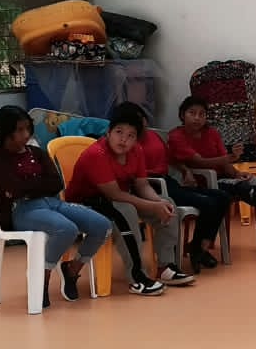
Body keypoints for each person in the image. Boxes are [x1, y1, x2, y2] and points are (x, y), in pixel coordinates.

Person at [0, 104, 111, 307]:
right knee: (66, 229)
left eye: (27, 128)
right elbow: (15, 190)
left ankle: (72, 270)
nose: (26, 135)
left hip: (52, 202)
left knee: (102, 225)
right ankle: (41, 279)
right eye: (19, 130)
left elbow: (56, 183)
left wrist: (29, 186)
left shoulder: (36, 152)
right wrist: (37, 185)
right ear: (6, 132)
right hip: (22, 210)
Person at [62, 107, 193, 294]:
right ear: (108, 132)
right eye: (119, 132)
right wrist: (153, 206)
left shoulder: (136, 151)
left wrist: (159, 203)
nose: (124, 139)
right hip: (86, 202)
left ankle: (165, 266)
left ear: (137, 140)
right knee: (126, 211)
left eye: (131, 136)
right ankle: (137, 277)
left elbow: (142, 186)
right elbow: (114, 194)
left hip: (118, 199)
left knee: (168, 203)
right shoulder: (96, 154)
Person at [168, 95, 256, 253]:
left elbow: (224, 163)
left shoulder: (212, 133)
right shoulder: (176, 136)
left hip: (225, 176)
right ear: (182, 115)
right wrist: (231, 158)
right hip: (205, 183)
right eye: (192, 113)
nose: (197, 118)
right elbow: (200, 162)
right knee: (242, 187)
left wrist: (236, 172)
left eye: (202, 114)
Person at [118, 103, 229, 273]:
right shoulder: (128, 143)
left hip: (168, 181)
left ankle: (198, 246)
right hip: (154, 185)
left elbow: (171, 159)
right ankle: (197, 250)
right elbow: (133, 176)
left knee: (222, 197)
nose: (142, 123)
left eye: (142, 119)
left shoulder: (154, 136)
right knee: (208, 203)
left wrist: (185, 170)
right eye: (136, 121)